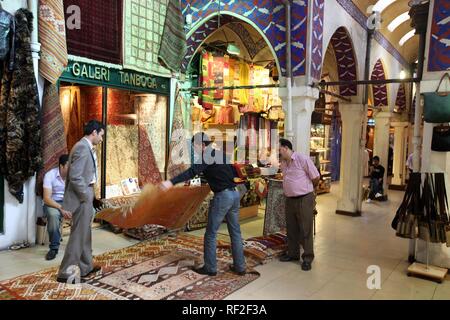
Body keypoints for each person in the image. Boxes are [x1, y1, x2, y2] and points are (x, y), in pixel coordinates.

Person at [160, 132, 246, 276]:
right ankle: (240, 267)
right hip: (235, 194)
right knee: (235, 232)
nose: (195, 149)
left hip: (223, 196)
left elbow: (191, 172)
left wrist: (170, 182)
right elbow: (232, 172)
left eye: (195, 146)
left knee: (211, 233)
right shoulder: (221, 154)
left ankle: (210, 268)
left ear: (201, 144)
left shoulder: (207, 156)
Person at [57, 120, 104, 284]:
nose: (101, 139)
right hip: (81, 197)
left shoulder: (84, 147)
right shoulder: (82, 148)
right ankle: (65, 272)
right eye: (101, 135)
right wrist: (85, 196)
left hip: (86, 194)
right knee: (77, 236)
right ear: (94, 133)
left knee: (85, 233)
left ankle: (86, 266)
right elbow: (75, 177)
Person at [278, 139, 320, 271]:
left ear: (285, 148)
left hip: (304, 198)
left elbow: (316, 177)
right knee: (292, 228)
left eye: (279, 149)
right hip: (290, 199)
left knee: (305, 229)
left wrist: (309, 191)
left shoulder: (302, 159)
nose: (278, 152)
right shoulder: (284, 163)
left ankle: (307, 258)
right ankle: (293, 253)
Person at [42, 154, 71, 261]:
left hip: (68, 202)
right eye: (69, 165)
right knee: (53, 215)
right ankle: (54, 248)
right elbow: (46, 198)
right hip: (52, 203)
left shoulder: (73, 176)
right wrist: (61, 208)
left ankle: (78, 245)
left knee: (87, 211)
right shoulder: (50, 175)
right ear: (61, 166)